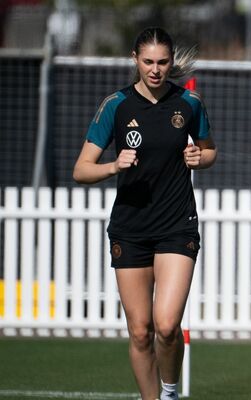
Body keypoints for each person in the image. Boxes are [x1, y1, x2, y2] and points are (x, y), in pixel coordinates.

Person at [73, 27, 217, 400]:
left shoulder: (189, 103)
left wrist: (199, 159)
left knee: (166, 326)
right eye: (148, 62)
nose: (155, 70)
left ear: (171, 63)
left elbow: (209, 151)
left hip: (176, 224)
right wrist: (112, 166)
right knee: (140, 331)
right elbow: (81, 169)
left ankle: (169, 392)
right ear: (135, 60)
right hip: (130, 227)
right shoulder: (116, 105)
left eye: (163, 62)